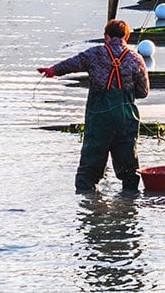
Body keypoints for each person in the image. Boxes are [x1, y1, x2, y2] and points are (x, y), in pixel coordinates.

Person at [38, 19, 150, 193]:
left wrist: (52, 70)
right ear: (126, 36)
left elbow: (71, 64)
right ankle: (128, 210)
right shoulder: (136, 59)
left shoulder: (94, 54)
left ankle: (89, 209)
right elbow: (143, 92)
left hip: (99, 120)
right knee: (129, 172)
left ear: (106, 36)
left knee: (87, 174)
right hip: (126, 120)